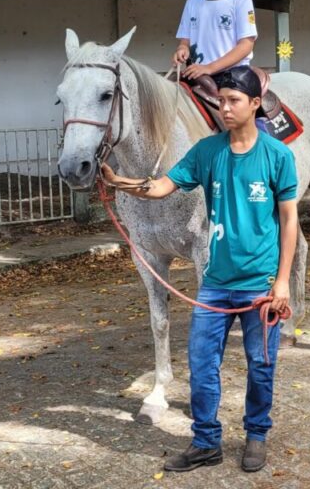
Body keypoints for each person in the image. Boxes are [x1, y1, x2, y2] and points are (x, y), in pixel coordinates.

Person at [100, 66, 297, 474]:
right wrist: (121, 182)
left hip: (260, 285)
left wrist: (282, 283)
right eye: (221, 101)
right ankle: (206, 440)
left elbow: (290, 221)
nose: (225, 108)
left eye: (233, 101)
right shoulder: (207, 151)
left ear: (255, 105)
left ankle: (256, 435)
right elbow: (160, 187)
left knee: (261, 366)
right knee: (201, 364)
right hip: (215, 285)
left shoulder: (278, 156)